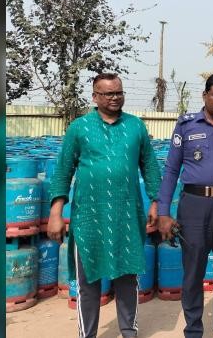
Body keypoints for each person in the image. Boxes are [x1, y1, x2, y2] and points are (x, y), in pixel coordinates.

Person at [47, 73, 161, 338]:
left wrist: (157, 202)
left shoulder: (135, 126)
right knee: (88, 282)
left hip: (126, 216)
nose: (115, 98)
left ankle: (129, 331)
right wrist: (55, 212)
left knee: (127, 277)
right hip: (89, 218)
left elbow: (150, 166)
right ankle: (87, 334)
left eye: (119, 92)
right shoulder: (79, 128)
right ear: (95, 97)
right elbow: (63, 170)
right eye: (109, 93)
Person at [157, 74, 213, 338]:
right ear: (205, 95)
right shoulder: (186, 125)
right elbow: (171, 170)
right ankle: (194, 329)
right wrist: (163, 212)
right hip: (195, 207)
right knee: (193, 272)